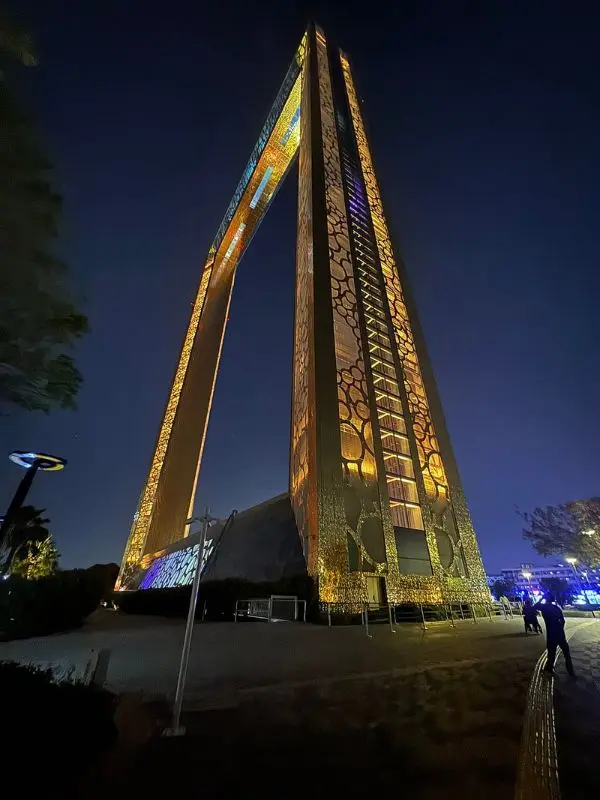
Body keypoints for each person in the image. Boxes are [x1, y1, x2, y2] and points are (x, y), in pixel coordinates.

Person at [535, 592, 575, 676]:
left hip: (551, 632)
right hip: (560, 632)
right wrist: (560, 628)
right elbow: (563, 621)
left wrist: (542, 598)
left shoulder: (544, 607)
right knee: (566, 652)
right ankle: (570, 670)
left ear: (546, 599)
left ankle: (549, 668)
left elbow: (535, 606)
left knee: (551, 651)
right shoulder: (556, 608)